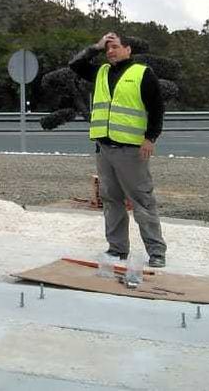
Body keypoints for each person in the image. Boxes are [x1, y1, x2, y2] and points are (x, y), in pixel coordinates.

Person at [68, 32, 167, 267]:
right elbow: (75, 65)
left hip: (131, 149)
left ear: (128, 49)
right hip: (104, 147)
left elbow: (157, 108)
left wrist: (150, 138)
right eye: (107, 48)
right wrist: (96, 46)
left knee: (142, 200)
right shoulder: (101, 72)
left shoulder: (142, 73)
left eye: (115, 47)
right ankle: (117, 249)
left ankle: (156, 252)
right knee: (111, 200)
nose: (110, 51)